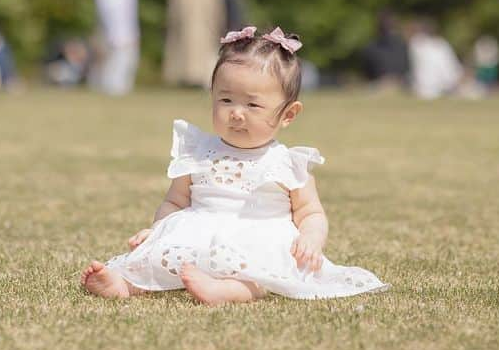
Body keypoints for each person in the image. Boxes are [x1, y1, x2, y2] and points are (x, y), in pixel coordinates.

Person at [81, 26, 388, 305]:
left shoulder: (288, 163)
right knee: (157, 258)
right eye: (226, 100)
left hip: (259, 237)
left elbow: (310, 212)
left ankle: (226, 290)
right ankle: (126, 284)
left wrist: (310, 239)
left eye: (252, 105)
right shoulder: (198, 151)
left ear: (288, 115)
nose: (236, 113)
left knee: (258, 275)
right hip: (197, 229)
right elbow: (175, 201)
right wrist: (157, 231)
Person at [162, 0, 224, 87]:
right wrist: (217, 28)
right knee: (201, 56)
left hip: (184, 30)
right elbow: (217, 13)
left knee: (185, 56)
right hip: (205, 30)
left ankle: (186, 80)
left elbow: (173, 13)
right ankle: (199, 80)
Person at [92, 0, 139, 95]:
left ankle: (122, 89)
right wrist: (114, 35)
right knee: (112, 64)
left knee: (127, 63)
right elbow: (108, 16)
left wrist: (134, 35)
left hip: (128, 34)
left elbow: (131, 17)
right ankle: (110, 89)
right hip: (112, 34)